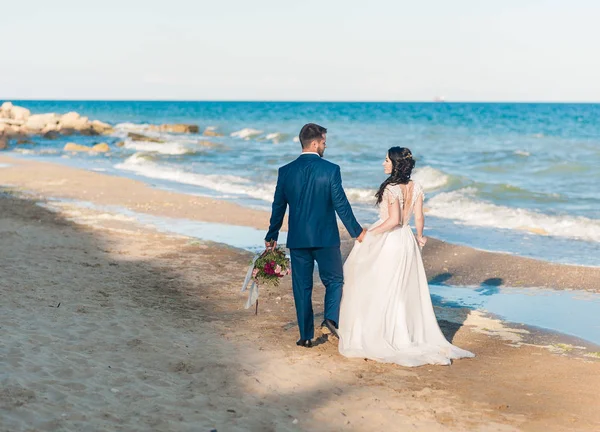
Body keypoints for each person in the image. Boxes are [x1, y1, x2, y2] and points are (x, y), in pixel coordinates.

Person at [338, 147, 474, 366]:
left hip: (389, 240)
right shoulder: (416, 186)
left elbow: (393, 221)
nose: (383, 164)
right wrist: (419, 237)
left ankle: (385, 333)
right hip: (406, 240)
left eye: (386, 160)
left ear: (395, 164)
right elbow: (418, 217)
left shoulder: (392, 189)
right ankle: (404, 331)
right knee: (402, 289)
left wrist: (368, 235)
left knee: (380, 285)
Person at [265, 123, 366, 348]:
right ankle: (330, 317)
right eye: (323, 141)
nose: (325, 145)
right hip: (325, 238)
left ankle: (306, 336)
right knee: (335, 280)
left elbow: (278, 206)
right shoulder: (331, 170)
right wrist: (356, 231)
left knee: (302, 287)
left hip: (298, 239)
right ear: (314, 143)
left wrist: (272, 234)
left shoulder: (285, 171)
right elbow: (341, 203)